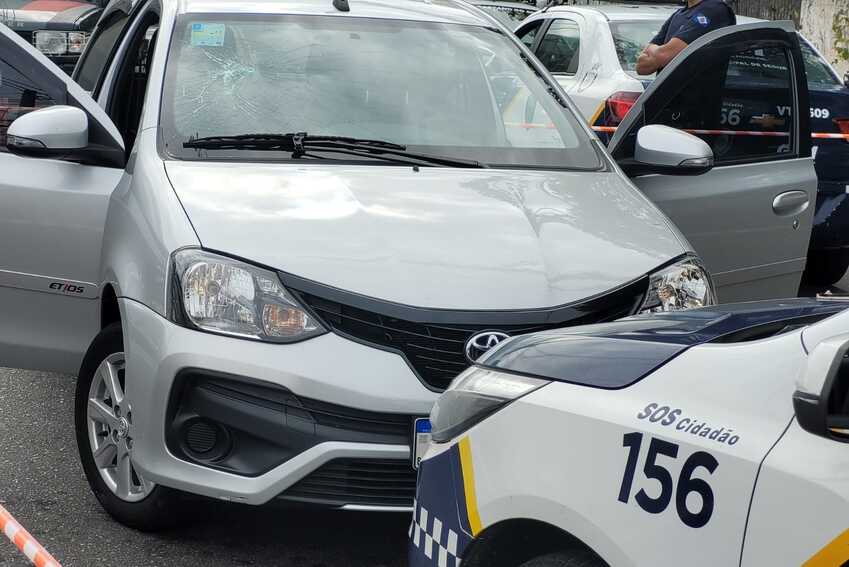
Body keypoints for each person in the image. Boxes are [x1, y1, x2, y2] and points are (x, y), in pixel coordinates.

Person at [636, 0, 736, 75]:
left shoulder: (714, 9)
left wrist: (653, 50)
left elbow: (664, 55)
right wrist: (659, 53)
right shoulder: (678, 14)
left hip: (695, 100)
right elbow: (641, 67)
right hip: (666, 99)